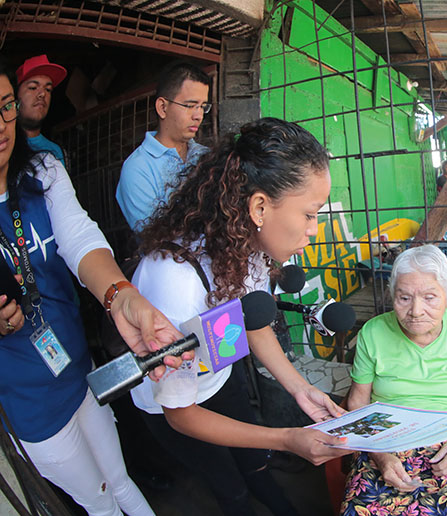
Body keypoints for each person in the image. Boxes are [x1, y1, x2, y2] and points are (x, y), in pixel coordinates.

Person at [129, 117, 349, 516]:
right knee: (230, 489)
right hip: (176, 407)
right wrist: (287, 438)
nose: (315, 230)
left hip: (217, 374)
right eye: (310, 214)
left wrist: (301, 390)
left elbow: (252, 322)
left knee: (257, 464)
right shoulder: (176, 284)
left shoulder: (245, 247)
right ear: (259, 206)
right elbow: (182, 415)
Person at [0, 57, 188, 516]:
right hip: (26, 399)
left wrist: (122, 297)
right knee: (98, 501)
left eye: (5, 106)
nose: (0, 124)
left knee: (121, 479)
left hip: (74, 367)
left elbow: (79, 237)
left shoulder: (42, 171)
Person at [340, 244, 447, 515]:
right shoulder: (372, 333)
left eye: (430, 297)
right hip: (388, 443)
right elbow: (358, 401)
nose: (416, 311)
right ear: (391, 295)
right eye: (404, 298)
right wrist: (381, 456)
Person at [116, 62, 210, 231]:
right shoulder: (138, 169)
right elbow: (156, 236)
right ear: (162, 107)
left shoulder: (207, 156)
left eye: (203, 107)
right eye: (190, 106)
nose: (199, 116)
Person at [15, 54, 67, 166]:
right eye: (33, 87)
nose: (42, 94)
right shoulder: (5, 143)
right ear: (14, 97)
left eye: (48, 89)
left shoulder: (55, 152)